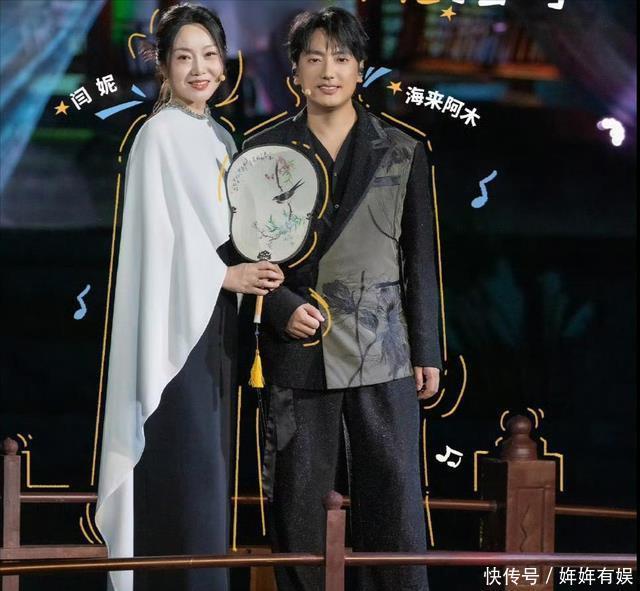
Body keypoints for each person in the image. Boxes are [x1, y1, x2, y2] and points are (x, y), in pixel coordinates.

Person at [241, 7, 442, 591]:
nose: (328, 71)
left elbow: (419, 260)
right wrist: (281, 308)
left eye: (342, 58)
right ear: (295, 72)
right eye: (315, 58)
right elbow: (238, 253)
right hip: (297, 349)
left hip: (384, 350)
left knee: (394, 504)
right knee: (297, 506)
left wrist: (426, 350)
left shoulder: (402, 149)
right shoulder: (262, 150)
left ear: (361, 69)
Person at [95, 5, 283, 591]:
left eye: (208, 56)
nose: (199, 69)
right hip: (174, 329)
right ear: (164, 68)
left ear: (224, 65)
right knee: (186, 475)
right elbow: (158, 242)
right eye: (184, 57)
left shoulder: (220, 135)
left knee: (209, 478)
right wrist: (225, 277)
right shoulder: (158, 135)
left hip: (213, 326)